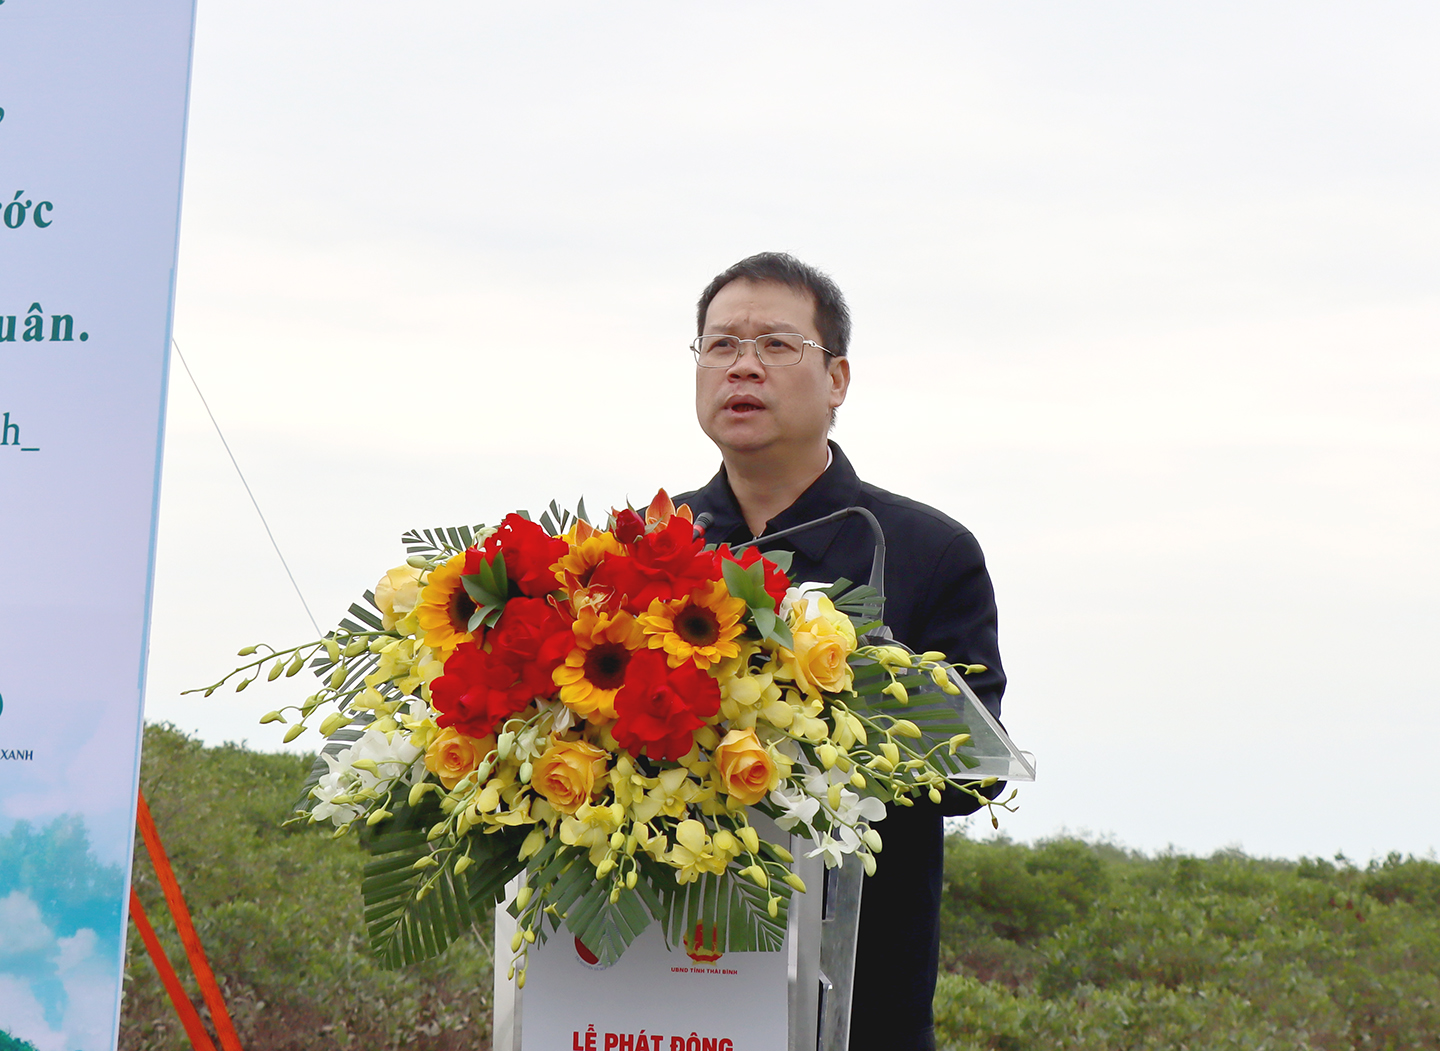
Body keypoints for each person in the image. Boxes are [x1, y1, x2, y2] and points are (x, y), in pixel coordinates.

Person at [672, 252, 1006, 1051]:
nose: (742, 365)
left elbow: (974, 774)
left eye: (775, 344)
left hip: (859, 1011)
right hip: (663, 990)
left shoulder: (925, 551)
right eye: (721, 345)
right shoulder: (653, 545)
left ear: (837, 380)